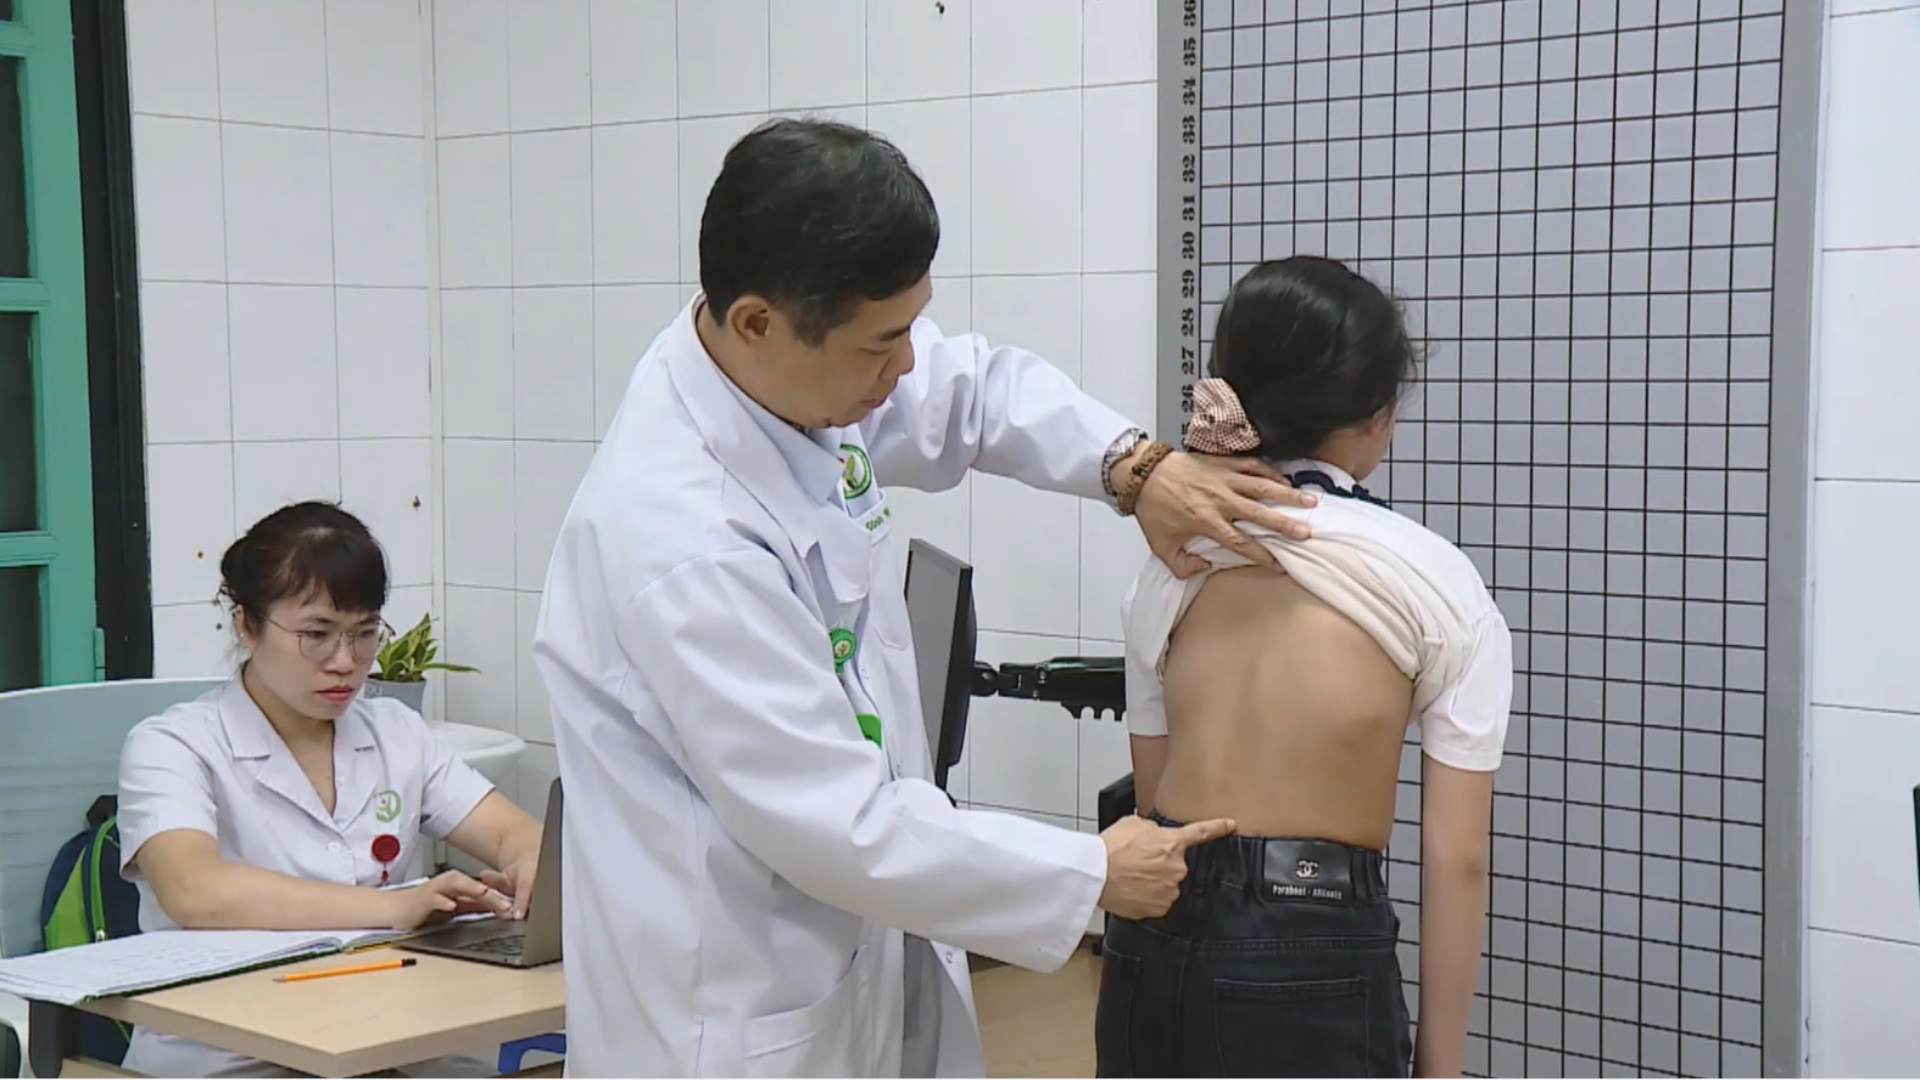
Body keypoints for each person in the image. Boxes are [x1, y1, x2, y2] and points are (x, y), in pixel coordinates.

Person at [531, 117, 1321, 1077]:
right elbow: (839, 825)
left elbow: (972, 394)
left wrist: (1134, 467)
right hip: (731, 1019)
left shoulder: (786, 380)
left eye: (912, 326)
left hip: (852, 966)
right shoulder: (682, 542)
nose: (905, 366)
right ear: (757, 322)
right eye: (883, 343)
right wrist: (1091, 873)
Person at [1104, 256, 1511, 1078]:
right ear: (1376, 414)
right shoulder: (1434, 579)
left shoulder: (1171, 566)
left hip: (1151, 940)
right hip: (1312, 943)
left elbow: (1153, 804)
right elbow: (1457, 857)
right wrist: (1439, 1069)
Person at [116, 501, 547, 1078]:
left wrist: (530, 865)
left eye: (364, 633)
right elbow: (195, 890)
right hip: (233, 1054)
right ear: (246, 625)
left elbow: (513, 832)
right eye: (316, 634)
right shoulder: (172, 746)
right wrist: (396, 908)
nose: (345, 662)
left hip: (391, 1034)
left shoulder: (395, 732)